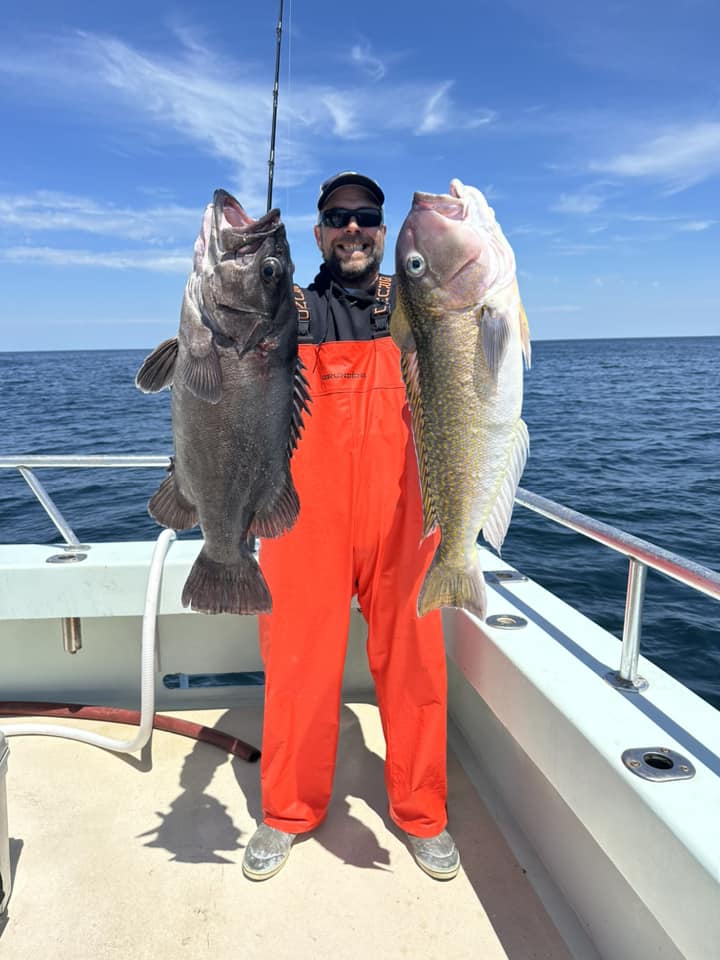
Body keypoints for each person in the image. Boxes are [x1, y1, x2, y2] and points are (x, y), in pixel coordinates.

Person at [242, 172, 459, 882]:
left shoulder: (417, 303)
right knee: (299, 667)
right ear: (319, 233)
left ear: (382, 226)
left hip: (405, 513)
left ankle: (423, 814)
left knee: (417, 665)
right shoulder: (290, 309)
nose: (354, 229)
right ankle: (288, 812)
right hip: (305, 519)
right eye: (339, 217)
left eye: (367, 216)